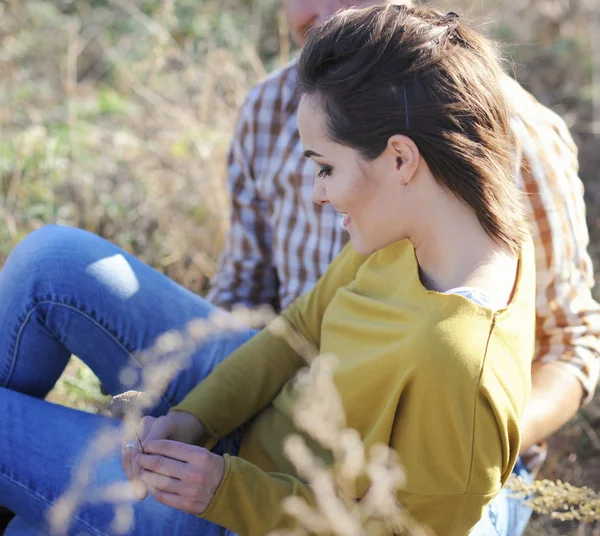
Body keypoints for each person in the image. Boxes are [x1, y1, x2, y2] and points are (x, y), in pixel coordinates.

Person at [0, 5, 538, 535]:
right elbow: (300, 329)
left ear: (400, 159)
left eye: (326, 168)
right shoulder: (428, 225)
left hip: (250, 512)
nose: (317, 194)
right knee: (50, 260)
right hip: (259, 420)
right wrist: (197, 417)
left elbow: (402, 532)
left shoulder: (461, 365)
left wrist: (227, 491)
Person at [206, 0, 600, 534]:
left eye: (326, 169)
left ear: (400, 161)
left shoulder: (501, 138)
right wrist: (212, 412)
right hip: (295, 402)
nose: (323, 12)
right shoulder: (279, 106)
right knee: (59, 269)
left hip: (435, 460)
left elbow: (574, 341)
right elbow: (252, 293)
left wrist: (471, 435)